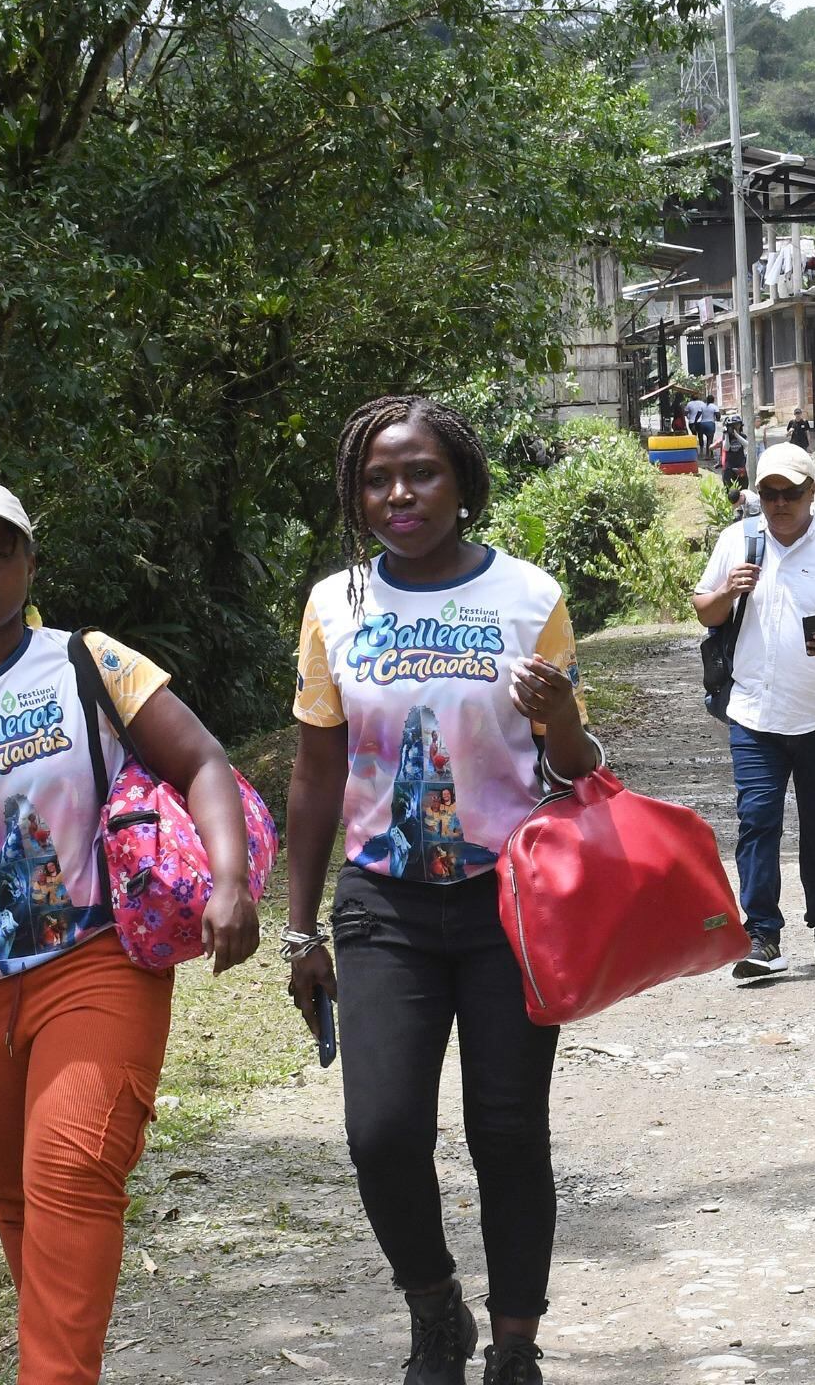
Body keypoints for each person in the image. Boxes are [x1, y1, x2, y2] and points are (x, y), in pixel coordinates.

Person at [0, 481, 262, 1385]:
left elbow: (203, 761)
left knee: (70, 1173)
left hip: (96, 957)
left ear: (29, 565)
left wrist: (231, 881)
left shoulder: (87, 661)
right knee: (20, 1202)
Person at [283, 395, 603, 1385]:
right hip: (382, 902)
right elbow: (315, 771)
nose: (398, 493)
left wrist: (556, 719)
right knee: (380, 1134)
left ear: (461, 480)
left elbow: (577, 768)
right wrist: (299, 930)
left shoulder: (526, 597)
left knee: (506, 1130)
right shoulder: (336, 607)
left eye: (419, 472)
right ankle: (434, 1309)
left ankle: (514, 1346)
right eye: (377, 478)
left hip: (509, 899)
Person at [693, 443, 815, 979]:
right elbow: (702, 608)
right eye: (769, 493)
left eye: (790, 493)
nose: (779, 503)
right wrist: (727, 593)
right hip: (754, 712)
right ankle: (761, 936)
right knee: (757, 821)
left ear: (812, 494)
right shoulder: (737, 541)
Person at [720, 414, 748, 492]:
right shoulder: (726, 437)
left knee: (743, 489)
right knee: (729, 489)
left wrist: (736, 435)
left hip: (740, 466)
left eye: (738, 424)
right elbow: (726, 448)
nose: (736, 426)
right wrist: (726, 435)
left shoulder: (742, 436)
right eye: (734, 425)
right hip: (729, 467)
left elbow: (746, 444)